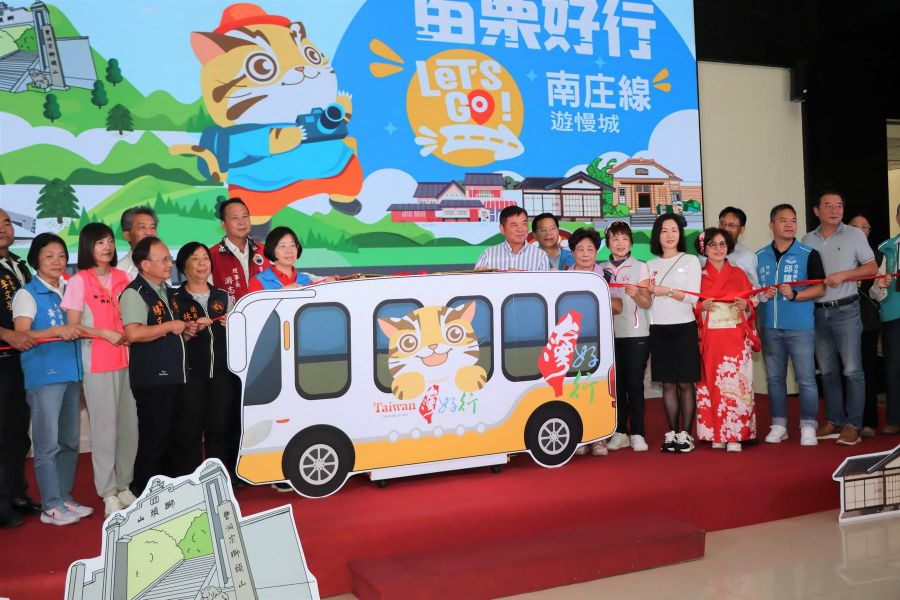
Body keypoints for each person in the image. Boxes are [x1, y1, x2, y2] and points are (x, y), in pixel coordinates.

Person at [12, 233, 92, 525]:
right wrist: (56, 331)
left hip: (72, 373)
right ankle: (50, 505)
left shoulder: (69, 289)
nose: (57, 261)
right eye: (49, 256)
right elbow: (22, 334)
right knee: (47, 445)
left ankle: (64, 497)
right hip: (44, 376)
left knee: (69, 442)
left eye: (61, 255)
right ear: (36, 260)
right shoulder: (27, 294)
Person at [61, 223, 138, 517]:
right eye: (99, 243)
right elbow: (73, 326)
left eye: (109, 242)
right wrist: (103, 333)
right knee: (105, 430)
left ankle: (124, 485)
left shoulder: (123, 277)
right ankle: (107, 492)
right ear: (87, 247)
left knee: (129, 427)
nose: (107, 247)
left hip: (128, 361)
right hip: (98, 363)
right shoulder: (79, 281)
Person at [801, 191, 877, 445]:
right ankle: (834, 420)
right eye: (828, 205)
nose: (835, 210)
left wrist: (844, 275)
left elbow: (871, 267)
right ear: (816, 210)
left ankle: (853, 424)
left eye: (839, 206)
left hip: (846, 310)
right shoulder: (807, 239)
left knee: (852, 370)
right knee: (828, 371)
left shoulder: (854, 234)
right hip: (818, 312)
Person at [119, 236, 193, 495]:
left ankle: (170, 491)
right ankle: (142, 492)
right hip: (153, 378)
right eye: (163, 260)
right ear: (145, 264)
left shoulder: (167, 291)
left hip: (174, 374)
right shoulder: (134, 293)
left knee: (175, 436)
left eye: (169, 259)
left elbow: (165, 332)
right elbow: (134, 333)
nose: (169, 264)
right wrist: (171, 326)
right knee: (155, 437)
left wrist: (185, 331)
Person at [756, 204, 826, 447]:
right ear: (772, 225)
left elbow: (820, 288)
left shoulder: (809, 253)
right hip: (769, 327)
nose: (789, 225)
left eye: (793, 220)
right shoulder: (759, 256)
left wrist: (796, 295)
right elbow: (753, 292)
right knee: (775, 379)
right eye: (783, 220)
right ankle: (779, 424)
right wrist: (761, 295)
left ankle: (808, 425)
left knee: (805, 379)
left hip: (800, 327)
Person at [171, 243, 237, 479]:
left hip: (221, 374)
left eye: (205, 258)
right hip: (189, 376)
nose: (202, 263)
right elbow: (169, 340)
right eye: (195, 258)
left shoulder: (222, 296)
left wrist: (233, 327)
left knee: (219, 429)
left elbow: (237, 337)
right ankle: (187, 482)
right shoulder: (175, 299)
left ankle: (219, 480)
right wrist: (187, 333)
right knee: (188, 431)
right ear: (183, 266)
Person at [694, 227, 758, 452]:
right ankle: (715, 433)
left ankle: (735, 436)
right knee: (712, 384)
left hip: (735, 336)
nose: (718, 249)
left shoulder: (738, 273)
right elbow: (691, 305)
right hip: (711, 338)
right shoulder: (698, 275)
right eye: (712, 245)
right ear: (704, 248)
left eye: (722, 244)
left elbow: (751, 302)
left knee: (736, 384)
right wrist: (701, 307)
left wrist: (745, 305)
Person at [646, 214, 702, 453]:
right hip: (658, 329)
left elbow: (693, 296)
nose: (669, 235)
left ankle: (686, 434)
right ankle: (672, 432)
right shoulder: (649, 265)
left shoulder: (690, 260)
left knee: (685, 383)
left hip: (684, 327)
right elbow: (646, 301)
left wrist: (666, 291)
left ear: (680, 234)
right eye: (664, 230)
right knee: (667, 384)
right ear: (657, 235)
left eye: (674, 230)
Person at [565, 227, 622, 456]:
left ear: (596, 251)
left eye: (590, 249)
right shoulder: (563, 277)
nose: (585, 253)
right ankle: (579, 438)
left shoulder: (605, 276)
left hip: (600, 343)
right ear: (573, 252)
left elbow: (618, 307)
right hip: (571, 343)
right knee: (573, 390)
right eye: (580, 249)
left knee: (599, 390)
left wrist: (598, 294)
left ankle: (599, 438)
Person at [0, 209, 40, 529]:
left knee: (17, 434)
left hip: (22, 362)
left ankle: (16, 493)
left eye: (6, 222)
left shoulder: (20, 264)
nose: (3, 228)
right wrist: (6, 334)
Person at [599, 221, 652, 454]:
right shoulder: (600, 268)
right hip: (609, 336)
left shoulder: (640, 267)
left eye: (624, 238)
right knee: (616, 386)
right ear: (608, 242)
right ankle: (620, 432)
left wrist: (636, 294)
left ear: (630, 242)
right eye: (615, 238)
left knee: (635, 385)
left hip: (635, 334)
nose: (620, 243)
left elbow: (647, 302)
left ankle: (638, 433)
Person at [848, 214, 883, 437]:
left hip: (867, 321)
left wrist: (881, 285)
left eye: (865, 227)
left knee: (867, 371)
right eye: (855, 226)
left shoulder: (878, 257)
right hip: (841, 321)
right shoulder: (842, 254)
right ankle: (848, 421)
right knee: (846, 371)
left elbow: (879, 294)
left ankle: (869, 421)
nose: (860, 230)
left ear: (869, 231)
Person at [871, 203, 900, 435]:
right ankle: (894, 418)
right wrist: (880, 285)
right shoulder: (886, 249)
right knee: (893, 368)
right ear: (898, 218)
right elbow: (874, 291)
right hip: (893, 315)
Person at [210, 198, 271, 304]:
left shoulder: (266, 251)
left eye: (245, 216)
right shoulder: (211, 256)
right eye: (235, 218)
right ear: (223, 225)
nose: (242, 222)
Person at [248, 227, 327, 291]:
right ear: (272, 250)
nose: (289, 251)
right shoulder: (258, 281)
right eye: (283, 246)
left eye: (292, 245)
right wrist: (281, 292)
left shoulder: (306, 280)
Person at [475, 206, 551, 271]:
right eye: (515, 225)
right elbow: (475, 282)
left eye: (524, 224)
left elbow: (545, 283)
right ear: (502, 229)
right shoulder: (488, 255)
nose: (520, 229)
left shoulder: (540, 256)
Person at [715, 207, 760, 287]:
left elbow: (754, 289)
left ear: (741, 229)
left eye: (731, 225)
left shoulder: (749, 257)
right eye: (722, 224)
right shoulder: (705, 254)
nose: (726, 229)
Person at [117, 206, 159, 281]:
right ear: (127, 235)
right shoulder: (119, 270)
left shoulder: (162, 266)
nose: (149, 232)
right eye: (142, 227)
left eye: (152, 227)